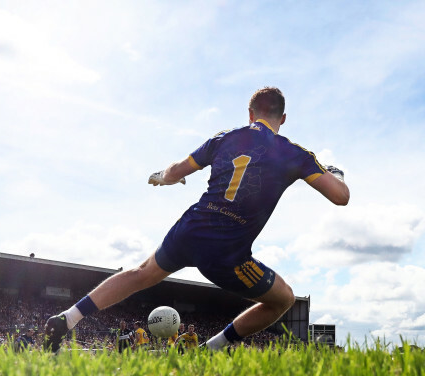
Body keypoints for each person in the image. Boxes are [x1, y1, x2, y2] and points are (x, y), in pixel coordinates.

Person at [43, 87, 350, 352]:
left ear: (250, 113)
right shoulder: (295, 154)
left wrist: (162, 177)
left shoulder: (225, 138)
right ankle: (210, 349)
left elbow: (176, 171)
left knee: (140, 273)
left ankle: (68, 317)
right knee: (282, 299)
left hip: (193, 228)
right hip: (228, 251)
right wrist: (334, 173)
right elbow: (340, 196)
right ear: (282, 119)